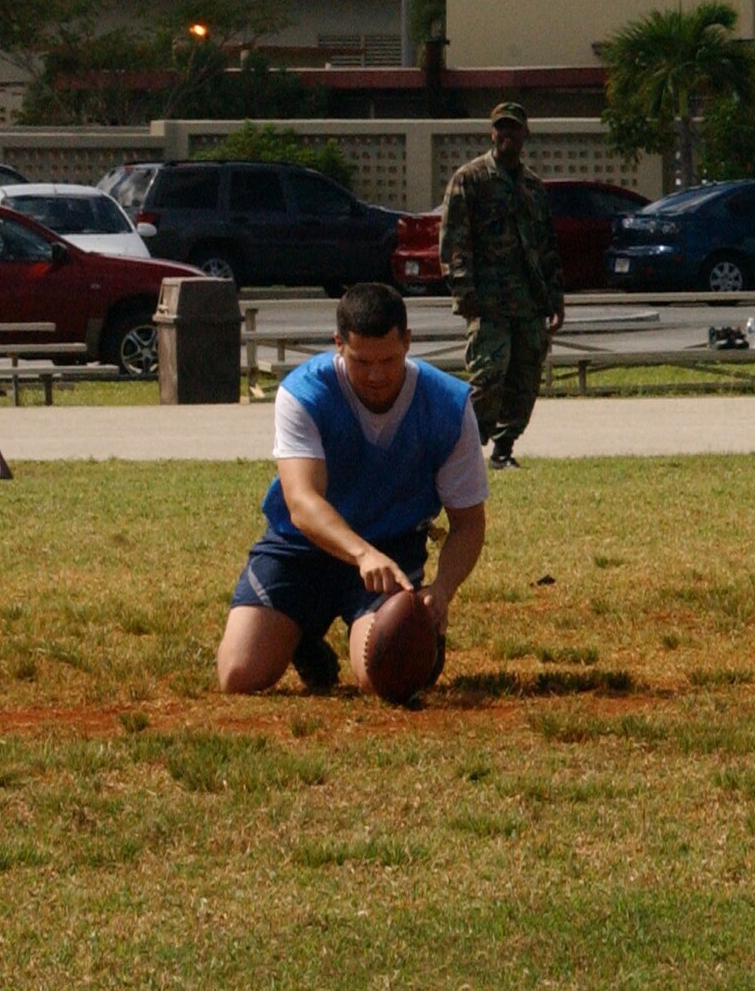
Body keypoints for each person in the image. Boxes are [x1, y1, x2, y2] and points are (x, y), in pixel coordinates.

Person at [216, 283, 488, 696]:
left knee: (382, 679)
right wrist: (361, 554)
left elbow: (468, 522)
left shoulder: (448, 404)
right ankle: (302, 635)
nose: (376, 375)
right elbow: (302, 503)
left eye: (389, 360)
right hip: (301, 548)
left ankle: (416, 636)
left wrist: (441, 590)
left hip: (391, 551)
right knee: (239, 676)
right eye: (362, 361)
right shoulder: (304, 393)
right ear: (338, 344)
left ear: (409, 342)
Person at [440, 101, 566, 469]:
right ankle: (465, 452)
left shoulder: (532, 186)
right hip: (488, 300)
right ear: (492, 133)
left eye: (514, 128)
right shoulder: (471, 179)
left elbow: (546, 245)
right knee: (487, 377)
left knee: (525, 377)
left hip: (528, 299)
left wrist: (556, 298)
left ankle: (504, 449)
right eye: (501, 128)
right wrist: (464, 291)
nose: (507, 134)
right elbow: (453, 241)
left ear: (526, 134)